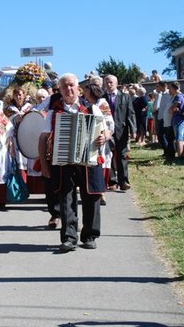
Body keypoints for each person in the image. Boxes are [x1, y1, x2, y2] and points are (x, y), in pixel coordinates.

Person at [39, 73, 109, 252]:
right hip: (64, 162)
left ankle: (90, 236)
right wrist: (44, 165)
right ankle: (69, 237)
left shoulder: (93, 108)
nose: (68, 89)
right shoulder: (53, 112)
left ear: (78, 88)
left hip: (89, 160)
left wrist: (104, 137)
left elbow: (108, 129)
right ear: (60, 90)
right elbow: (43, 138)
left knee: (91, 198)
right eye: (64, 86)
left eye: (71, 85)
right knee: (66, 199)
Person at [103, 74, 136, 191]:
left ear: (117, 84)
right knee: (109, 155)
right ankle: (112, 181)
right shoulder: (102, 98)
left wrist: (133, 130)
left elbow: (130, 114)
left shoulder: (125, 97)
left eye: (111, 82)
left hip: (121, 130)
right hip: (107, 131)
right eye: (106, 82)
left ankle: (124, 181)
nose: (109, 84)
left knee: (122, 155)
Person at [168, 81, 184, 162]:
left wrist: (171, 110)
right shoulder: (182, 95)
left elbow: (171, 109)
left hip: (178, 120)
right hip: (180, 120)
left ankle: (180, 157)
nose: (169, 90)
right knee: (181, 138)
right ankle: (182, 156)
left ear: (173, 88)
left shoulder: (178, 97)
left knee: (179, 139)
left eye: (170, 88)